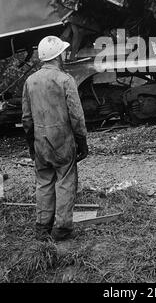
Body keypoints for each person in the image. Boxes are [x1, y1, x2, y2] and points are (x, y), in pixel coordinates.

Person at [22, 35, 88, 241]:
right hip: (62, 142)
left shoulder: (30, 81)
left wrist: (31, 145)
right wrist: (82, 142)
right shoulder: (65, 80)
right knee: (65, 181)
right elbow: (76, 116)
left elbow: (26, 118)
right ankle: (62, 229)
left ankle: (42, 228)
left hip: (40, 142)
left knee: (43, 182)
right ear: (58, 56)